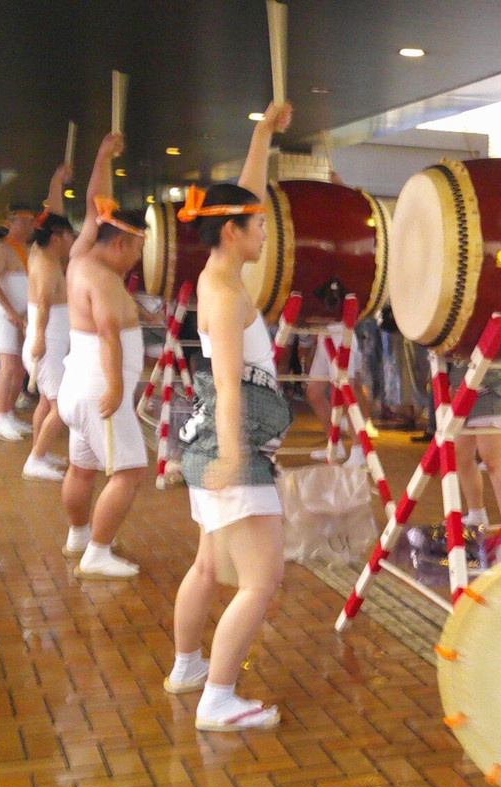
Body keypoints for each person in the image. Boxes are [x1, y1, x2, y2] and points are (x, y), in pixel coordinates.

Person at [168, 101, 293, 731]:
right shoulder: (220, 295)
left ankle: (188, 667)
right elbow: (225, 387)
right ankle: (218, 698)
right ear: (231, 233)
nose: (265, 231)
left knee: (209, 566)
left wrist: (262, 132)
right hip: (231, 444)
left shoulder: (219, 273)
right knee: (261, 578)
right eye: (259, 224)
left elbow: (242, 194)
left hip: (218, 442)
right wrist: (230, 458)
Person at [57, 132, 148, 576]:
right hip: (100, 389)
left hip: (78, 386)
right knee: (128, 472)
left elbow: (98, 201)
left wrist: (103, 155)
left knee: (81, 468)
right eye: (137, 249)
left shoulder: (79, 257)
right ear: (119, 244)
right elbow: (110, 334)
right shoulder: (106, 279)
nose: (137, 259)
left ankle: (77, 535)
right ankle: (97, 551)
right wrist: (116, 389)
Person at [22, 164, 76, 482]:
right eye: (68, 235)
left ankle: (37, 453)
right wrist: (40, 339)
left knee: (46, 401)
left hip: (48, 342)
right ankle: (35, 459)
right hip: (46, 343)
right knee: (62, 406)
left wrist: (56, 179)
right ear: (57, 237)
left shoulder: (42, 252)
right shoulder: (44, 265)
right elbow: (42, 304)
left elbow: (52, 212)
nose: (72, 239)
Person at [448, 363, 501, 566]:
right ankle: (476, 514)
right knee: (460, 456)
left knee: (492, 458)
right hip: (462, 385)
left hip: (492, 388)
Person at [0, 201, 38, 441]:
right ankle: (1, 419)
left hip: (21, 315)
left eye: (31, 221)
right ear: (11, 223)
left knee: (19, 369)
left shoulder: (28, 248)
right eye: (25, 221)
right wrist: (11, 311)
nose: (30, 225)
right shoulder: (0, 248)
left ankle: (10, 415)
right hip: (4, 314)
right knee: (8, 367)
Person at [305, 277, 370, 466]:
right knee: (314, 393)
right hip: (324, 333)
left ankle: (359, 450)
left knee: (349, 391)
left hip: (342, 331)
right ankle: (335, 444)